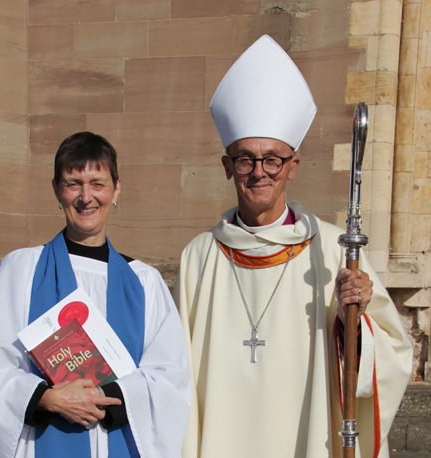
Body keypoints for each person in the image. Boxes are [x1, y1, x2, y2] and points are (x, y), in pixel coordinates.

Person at [174, 35, 412, 458]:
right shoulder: (199, 257)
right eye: (245, 159)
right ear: (228, 167)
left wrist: (353, 322)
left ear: (293, 167)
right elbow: (176, 374)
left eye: (272, 159)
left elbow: (392, 356)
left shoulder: (332, 252)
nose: (259, 173)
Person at [0, 131, 191, 458]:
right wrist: (48, 399)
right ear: (57, 190)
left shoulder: (145, 283)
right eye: (73, 184)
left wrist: (108, 397)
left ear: (117, 189)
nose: (86, 197)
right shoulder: (22, 271)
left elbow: (170, 377)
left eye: (98, 184)